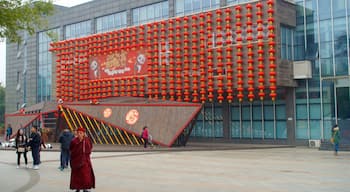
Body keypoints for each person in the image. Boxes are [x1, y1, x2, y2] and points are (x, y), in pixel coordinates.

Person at [70, 127, 95, 192]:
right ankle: (77, 188)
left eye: (81, 133)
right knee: (77, 176)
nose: (79, 134)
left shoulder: (87, 140)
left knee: (85, 176)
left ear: (84, 133)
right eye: (78, 133)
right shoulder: (74, 141)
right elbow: (71, 149)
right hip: (76, 161)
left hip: (85, 161)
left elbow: (90, 148)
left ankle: (85, 188)